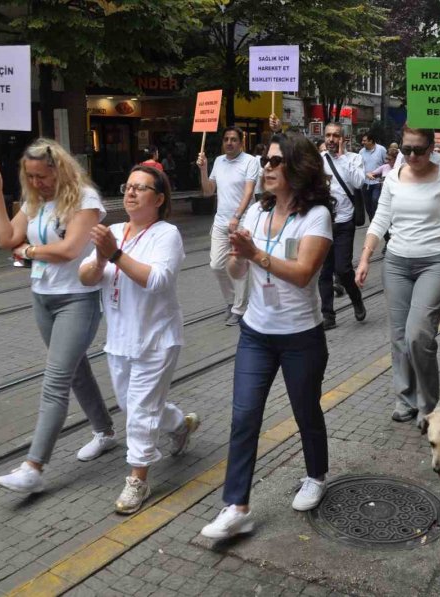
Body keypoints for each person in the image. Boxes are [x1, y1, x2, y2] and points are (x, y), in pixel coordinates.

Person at [201, 132, 333, 539]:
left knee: (305, 410)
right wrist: (238, 255)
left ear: (298, 167)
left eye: (276, 162)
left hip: (300, 337)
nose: (267, 168)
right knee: (243, 417)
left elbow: (302, 273)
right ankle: (236, 506)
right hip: (255, 333)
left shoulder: (316, 216)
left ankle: (317, 474)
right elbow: (240, 273)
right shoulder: (257, 213)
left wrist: (256, 252)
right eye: (266, 161)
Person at [0, 138, 116, 493]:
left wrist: (28, 250)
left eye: (42, 176)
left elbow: (70, 249)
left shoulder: (85, 200)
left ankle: (33, 467)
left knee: (56, 379)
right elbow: (4, 237)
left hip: (77, 299)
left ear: (60, 169)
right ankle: (104, 431)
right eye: (31, 176)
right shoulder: (34, 201)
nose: (38, 183)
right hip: (42, 297)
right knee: (76, 372)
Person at [79, 165, 199, 513]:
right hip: (119, 340)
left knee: (141, 412)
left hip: (156, 340)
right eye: (127, 186)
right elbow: (86, 277)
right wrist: (102, 256)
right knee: (132, 406)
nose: (130, 193)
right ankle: (180, 424)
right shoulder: (114, 230)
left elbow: (158, 280)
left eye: (140, 188)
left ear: (159, 199)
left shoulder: (167, 234)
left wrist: (115, 254)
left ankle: (138, 480)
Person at [355, 127, 440, 427]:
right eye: (406, 150)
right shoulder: (393, 175)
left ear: (431, 148)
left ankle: (429, 404)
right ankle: (405, 398)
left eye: (418, 149)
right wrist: (365, 258)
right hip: (396, 263)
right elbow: (380, 219)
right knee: (400, 336)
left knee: (419, 335)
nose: (412, 156)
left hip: (435, 262)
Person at [197, 127, 260, 326]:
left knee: (239, 264)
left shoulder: (250, 161)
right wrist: (203, 169)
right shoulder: (218, 161)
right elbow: (208, 192)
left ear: (241, 142)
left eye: (234, 139)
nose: (229, 142)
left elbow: (249, 192)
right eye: (226, 139)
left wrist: (237, 216)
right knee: (216, 265)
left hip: (242, 220)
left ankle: (239, 309)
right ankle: (231, 300)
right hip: (221, 221)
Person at [319, 121, 366, 329]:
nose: (331, 139)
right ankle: (328, 315)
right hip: (323, 223)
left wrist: (342, 157)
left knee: (343, 269)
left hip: (345, 221)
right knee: (324, 271)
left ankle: (356, 298)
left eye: (336, 136)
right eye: (328, 135)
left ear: (343, 139)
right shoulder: (319, 160)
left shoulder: (354, 159)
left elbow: (358, 183)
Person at [358, 132, 387, 222]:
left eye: (365, 140)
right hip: (365, 183)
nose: (362, 142)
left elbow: (386, 164)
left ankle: (378, 221)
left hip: (377, 182)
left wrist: (382, 176)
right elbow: (359, 167)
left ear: (371, 141)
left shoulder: (381, 149)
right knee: (368, 206)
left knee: (375, 201)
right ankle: (372, 222)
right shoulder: (361, 152)